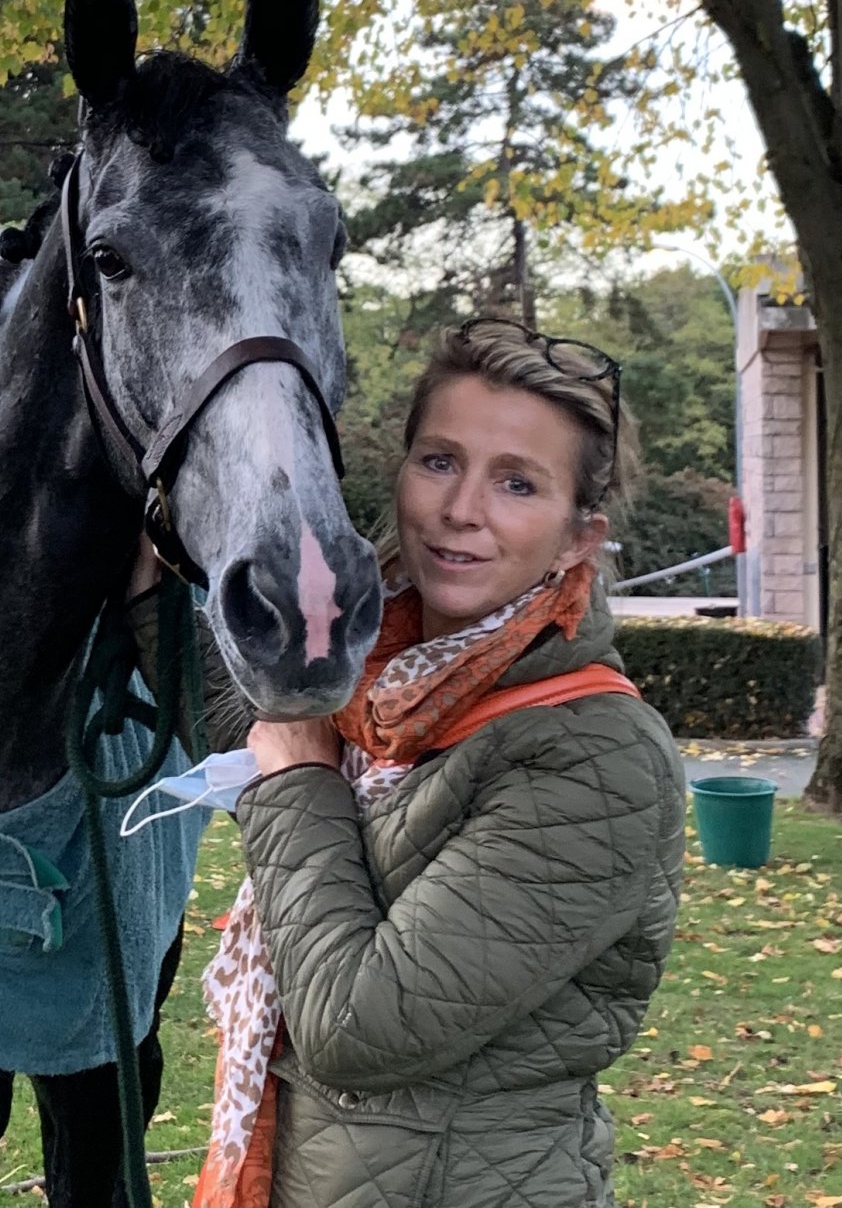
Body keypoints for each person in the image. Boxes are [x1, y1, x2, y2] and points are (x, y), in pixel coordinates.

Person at [131, 317, 686, 1208]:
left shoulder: (595, 758)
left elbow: (358, 1026)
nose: (461, 509)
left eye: (517, 483)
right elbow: (257, 723)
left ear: (579, 538)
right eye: (439, 461)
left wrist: (299, 783)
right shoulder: (380, 676)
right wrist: (145, 585)